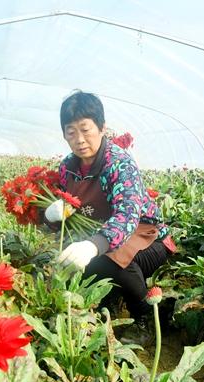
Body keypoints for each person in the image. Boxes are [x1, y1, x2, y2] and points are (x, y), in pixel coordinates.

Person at [44, 91, 176, 344]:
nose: (79, 139)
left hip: (148, 239)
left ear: (102, 127)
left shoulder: (119, 163)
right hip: (102, 238)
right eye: (71, 132)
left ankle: (147, 317)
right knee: (74, 264)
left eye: (85, 129)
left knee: (109, 259)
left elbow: (127, 215)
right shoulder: (67, 167)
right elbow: (70, 216)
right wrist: (51, 214)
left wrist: (93, 244)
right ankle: (111, 299)